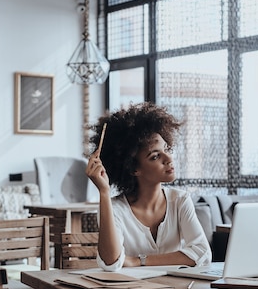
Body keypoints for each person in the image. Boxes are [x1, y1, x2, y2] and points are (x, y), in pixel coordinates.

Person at [86, 102, 212, 271]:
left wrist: (139, 261)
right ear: (133, 169)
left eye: (166, 149)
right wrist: (104, 192)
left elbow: (203, 254)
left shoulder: (180, 200)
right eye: (155, 156)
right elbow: (111, 263)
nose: (168, 159)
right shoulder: (114, 208)